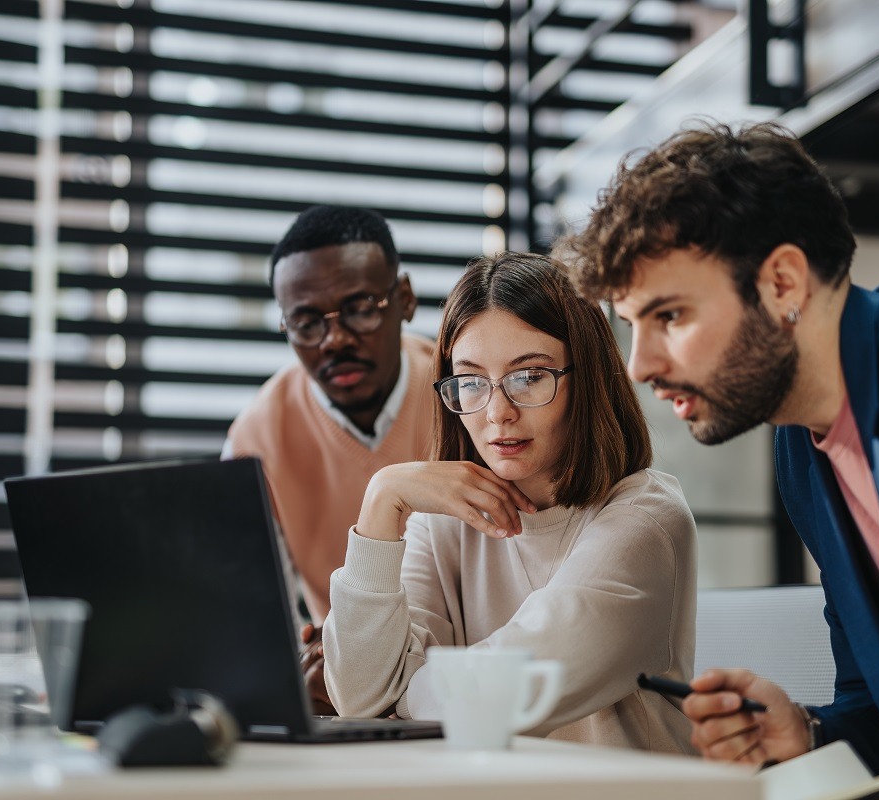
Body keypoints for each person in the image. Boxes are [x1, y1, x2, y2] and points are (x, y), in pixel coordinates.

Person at [558, 121, 879, 798]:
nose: (639, 366)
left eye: (669, 316)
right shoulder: (802, 449)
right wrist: (808, 734)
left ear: (783, 283)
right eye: (630, 325)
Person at [322, 252, 698, 751]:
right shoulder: (444, 524)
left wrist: (399, 694)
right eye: (471, 382)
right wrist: (381, 498)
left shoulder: (645, 520)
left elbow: (502, 692)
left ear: (587, 379)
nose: (497, 413)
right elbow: (357, 698)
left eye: (529, 376)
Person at [223, 205, 436, 712]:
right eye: (306, 323)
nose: (334, 340)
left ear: (404, 299)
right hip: (349, 698)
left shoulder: (471, 397)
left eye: (360, 308)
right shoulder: (256, 438)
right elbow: (252, 621)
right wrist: (312, 657)